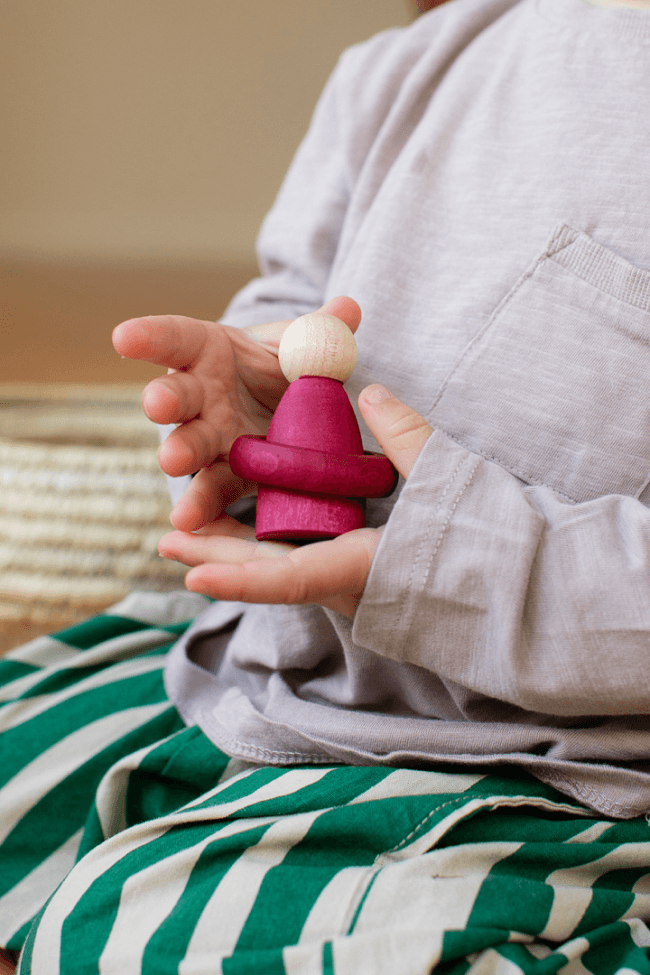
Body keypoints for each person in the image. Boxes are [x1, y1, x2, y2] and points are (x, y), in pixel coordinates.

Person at [2, 0, 650, 972]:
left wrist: (448, 559)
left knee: (164, 931)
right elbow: (294, 304)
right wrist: (253, 393)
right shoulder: (425, 59)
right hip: (271, 664)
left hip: (562, 762)